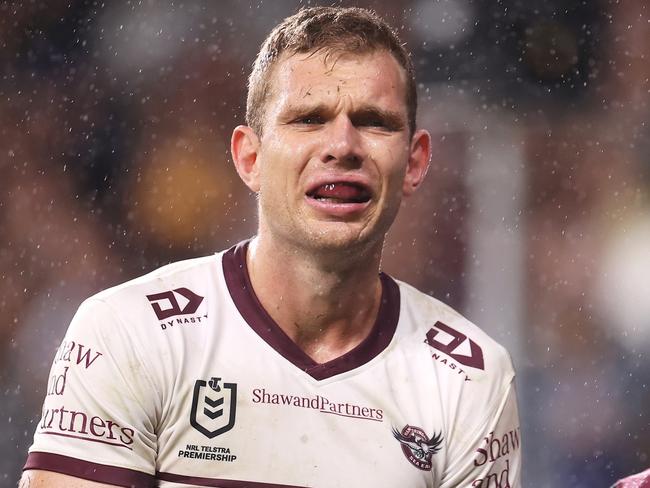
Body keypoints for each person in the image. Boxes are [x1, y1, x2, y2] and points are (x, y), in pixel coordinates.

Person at [20, 6, 521, 488]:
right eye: (308, 119)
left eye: (374, 122)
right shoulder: (130, 334)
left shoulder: (470, 377)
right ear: (249, 157)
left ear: (414, 163)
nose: (342, 145)